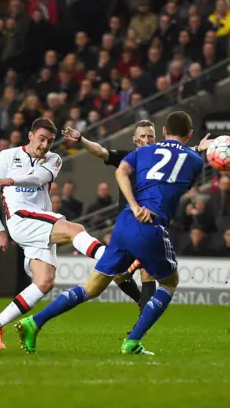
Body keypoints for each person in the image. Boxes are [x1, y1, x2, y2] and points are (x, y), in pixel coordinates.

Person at [15, 112, 205, 355]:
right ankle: (133, 340)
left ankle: (34, 322)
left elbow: (120, 172)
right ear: (189, 134)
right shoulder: (195, 161)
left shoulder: (140, 153)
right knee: (169, 282)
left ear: (164, 132)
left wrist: (134, 207)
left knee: (92, 287)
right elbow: (180, 165)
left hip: (124, 224)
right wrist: (202, 148)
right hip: (151, 225)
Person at [0, 118, 117, 350]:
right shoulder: (7, 156)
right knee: (76, 230)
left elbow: (38, 179)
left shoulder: (54, 159)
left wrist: (11, 180)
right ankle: (114, 259)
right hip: (21, 218)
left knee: (44, 282)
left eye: (50, 141)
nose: (45, 145)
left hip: (40, 221)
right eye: (41, 139)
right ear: (30, 135)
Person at [61, 122, 210, 311]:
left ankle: (142, 320)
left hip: (150, 224)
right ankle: (143, 305)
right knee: (118, 275)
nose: (147, 140)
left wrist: (197, 148)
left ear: (156, 139)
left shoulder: (163, 159)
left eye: (150, 136)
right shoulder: (129, 158)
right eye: (143, 136)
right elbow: (101, 151)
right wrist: (81, 139)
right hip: (128, 225)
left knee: (148, 274)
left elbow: (176, 153)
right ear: (135, 140)